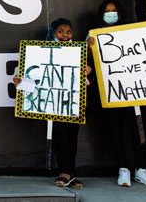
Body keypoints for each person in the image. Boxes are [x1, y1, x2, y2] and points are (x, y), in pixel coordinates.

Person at [87, 0, 146, 188]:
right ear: (101, 13)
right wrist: (90, 48)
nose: (110, 13)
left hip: (135, 91)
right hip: (111, 90)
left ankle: (143, 169)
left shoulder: (132, 31)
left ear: (120, 12)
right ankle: (123, 169)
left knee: (139, 130)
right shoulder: (93, 35)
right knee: (115, 130)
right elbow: (88, 63)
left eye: (114, 10)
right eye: (107, 10)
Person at [14, 18, 90, 188]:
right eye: (60, 31)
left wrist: (87, 70)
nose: (65, 35)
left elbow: (84, 80)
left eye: (68, 31)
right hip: (54, 103)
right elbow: (36, 80)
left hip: (73, 102)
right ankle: (65, 172)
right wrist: (21, 82)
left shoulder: (79, 52)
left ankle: (70, 173)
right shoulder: (40, 52)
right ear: (53, 33)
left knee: (72, 137)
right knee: (60, 136)